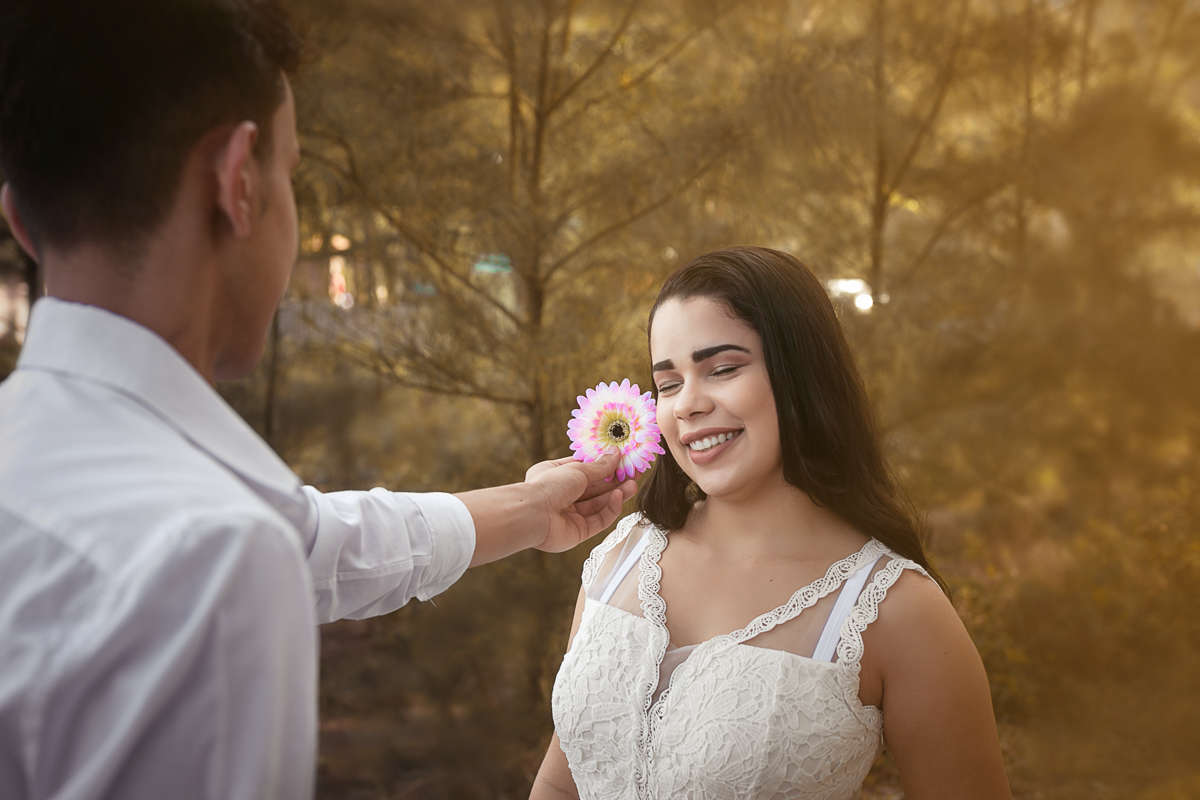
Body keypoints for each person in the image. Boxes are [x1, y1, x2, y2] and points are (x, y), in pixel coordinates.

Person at [0, 1, 636, 799]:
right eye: (293, 174)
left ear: (22, 220)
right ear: (238, 181)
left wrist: (530, 508)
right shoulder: (212, 556)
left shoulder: (52, 465)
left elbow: (321, 542)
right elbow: (267, 543)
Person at [532, 247, 1012, 799]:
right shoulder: (622, 555)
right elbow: (560, 783)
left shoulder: (898, 610)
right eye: (668, 383)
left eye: (723, 369)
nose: (687, 404)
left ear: (800, 374)